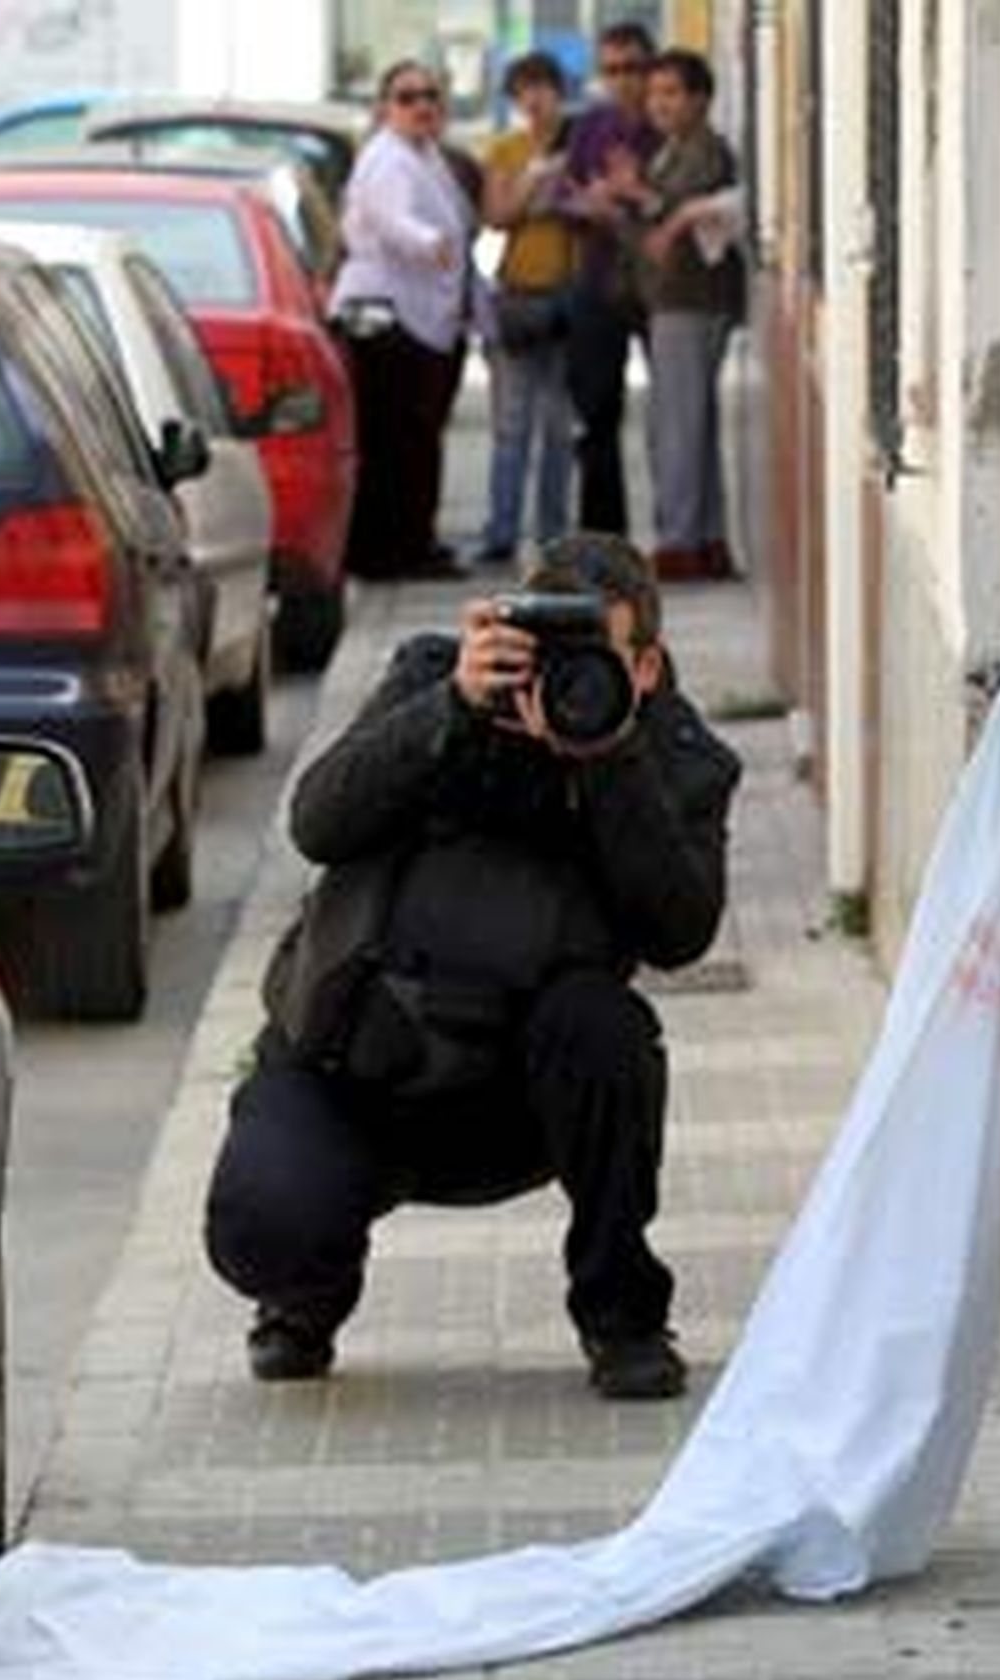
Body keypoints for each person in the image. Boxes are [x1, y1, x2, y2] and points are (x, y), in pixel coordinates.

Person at [204, 533, 741, 1401]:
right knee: (267, 1226)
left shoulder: (672, 753)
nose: (558, 679)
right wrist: (453, 706)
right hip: (361, 1066)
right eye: (544, 651)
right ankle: (304, 1294)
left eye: (593, 658)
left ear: (645, 668)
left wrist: (608, 760)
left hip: (519, 1100)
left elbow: (681, 931)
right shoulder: (435, 681)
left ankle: (623, 1318)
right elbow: (317, 822)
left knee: (607, 1030)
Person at [330, 60, 474, 580]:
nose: (421, 106)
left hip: (423, 315)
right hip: (387, 315)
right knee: (394, 438)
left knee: (414, 437)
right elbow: (392, 219)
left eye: (430, 95)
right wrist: (429, 243)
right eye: (407, 96)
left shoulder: (426, 156)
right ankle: (389, 551)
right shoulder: (387, 158)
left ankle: (413, 541)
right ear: (385, 106)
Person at [629, 47, 747, 583]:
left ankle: (680, 542)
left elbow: (683, 204)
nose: (660, 104)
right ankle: (703, 538)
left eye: (672, 93)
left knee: (679, 426)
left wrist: (639, 194)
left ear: (700, 99)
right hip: (672, 298)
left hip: (693, 300)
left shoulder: (707, 151)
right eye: (655, 94)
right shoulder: (670, 151)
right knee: (684, 422)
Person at [473, 51, 578, 567]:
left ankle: (553, 536)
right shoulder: (506, 149)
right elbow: (497, 215)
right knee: (512, 425)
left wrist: (549, 200)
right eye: (523, 91)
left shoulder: (579, 144)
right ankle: (501, 532)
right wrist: (534, 181)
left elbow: (585, 206)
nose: (534, 100)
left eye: (543, 88)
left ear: (560, 92)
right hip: (519, 294)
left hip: (570, 293)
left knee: (559, 426)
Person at [558, 20, 660, 535]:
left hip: (659, 288)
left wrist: (628, 199)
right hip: (598, 281)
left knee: (671, 415)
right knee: (595, 415)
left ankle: (679, 534)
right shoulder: (590, 126)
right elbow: (564, 195)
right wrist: (589, 204)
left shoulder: (666, 126)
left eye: (632, 68)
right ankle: (603, 533)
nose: (622, 80)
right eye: (611, 70)